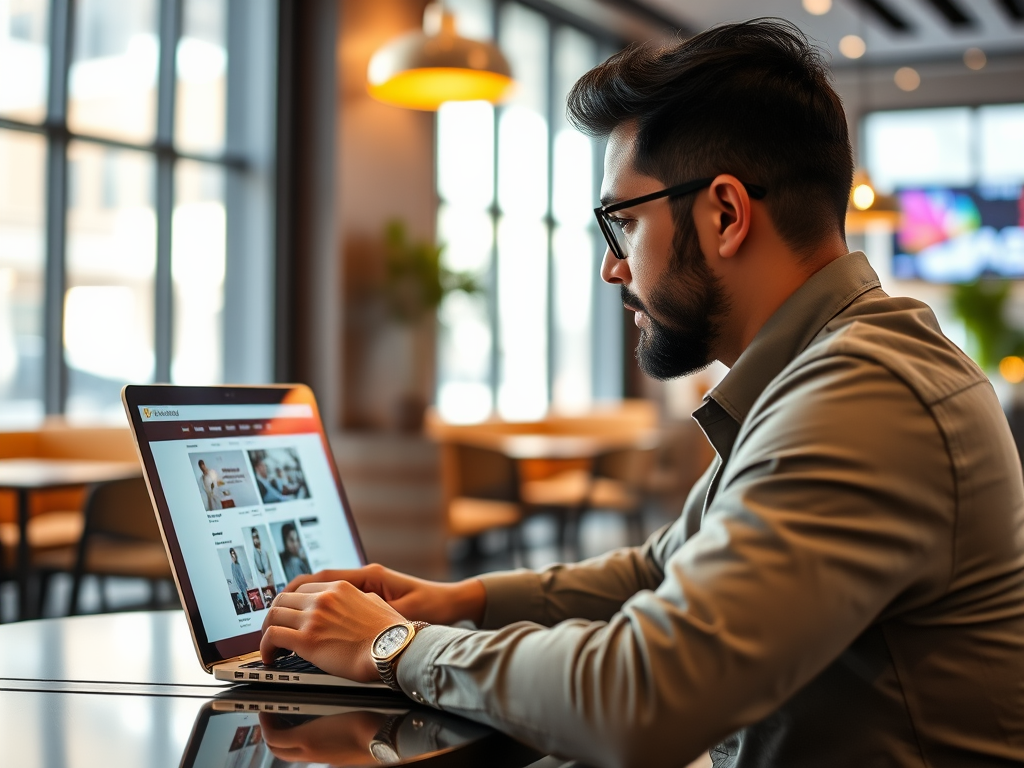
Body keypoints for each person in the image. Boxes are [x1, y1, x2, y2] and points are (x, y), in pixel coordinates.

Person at [259, 20, 1024, 767]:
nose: (613, 269)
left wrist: (392, 646)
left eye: (621, 224)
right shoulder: (823, 371)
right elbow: (659, 569)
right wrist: (455, 603)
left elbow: (642, 698)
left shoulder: (865, 398)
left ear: (725, 214)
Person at [228, 547, 250, 612]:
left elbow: (242, 575)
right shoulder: (232, 565)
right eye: (232, 554)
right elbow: (235, 577)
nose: (233, 555)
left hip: (243, 584)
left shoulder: (238, 564)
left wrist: (245, 583)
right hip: (239, 585)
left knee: (246, 597)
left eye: (234, 553)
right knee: (242, 598)